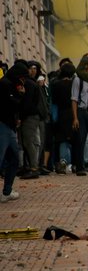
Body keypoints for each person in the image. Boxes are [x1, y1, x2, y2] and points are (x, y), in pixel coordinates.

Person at [0, 62, 29, 202]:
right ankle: (6, 191)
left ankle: (7, 191)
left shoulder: (10, 84)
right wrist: (21, 95)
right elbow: (12, 104)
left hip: (9, 126)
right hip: (3, 125)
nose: (23, 81)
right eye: (23, 78)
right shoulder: (5, 84)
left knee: (14, 159)